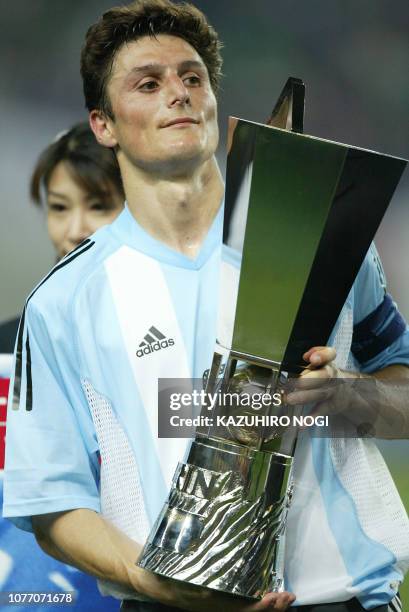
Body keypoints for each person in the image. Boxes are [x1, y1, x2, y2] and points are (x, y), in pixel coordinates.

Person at [3, 1, 408, 611]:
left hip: (344, 599)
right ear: (103, 125)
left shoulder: (322, 239)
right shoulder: (64, 300)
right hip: (167, 602)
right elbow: (50, 505)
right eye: (148, 83)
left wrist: (348, 395)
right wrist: (150, 581)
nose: (179, 93)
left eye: (193, 78)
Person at [0, 122, 124, 353]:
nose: (76, 231)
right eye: (59, 207)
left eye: (98, 206)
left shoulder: (179, 331)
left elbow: (183, 391)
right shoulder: (10, 347)